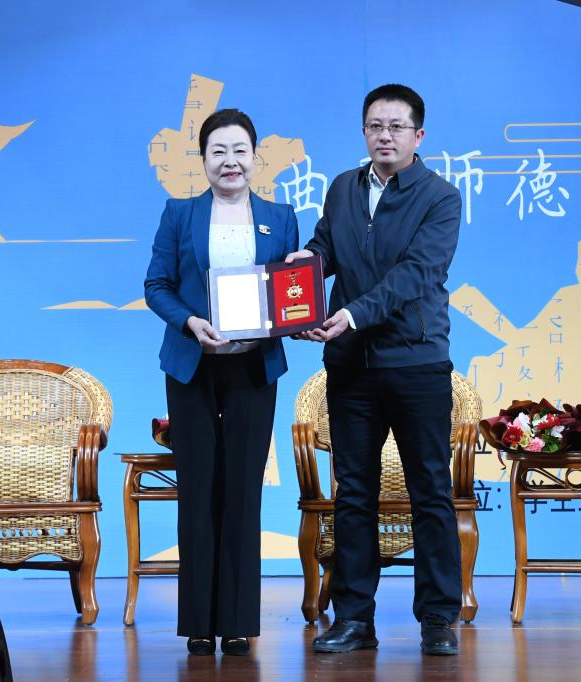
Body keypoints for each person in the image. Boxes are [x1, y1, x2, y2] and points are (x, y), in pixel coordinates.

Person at [286, 84, 464, 656]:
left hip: (417, 363)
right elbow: (325, 248)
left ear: (418, 135)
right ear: (364, 131)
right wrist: (303, 270)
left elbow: (418, 273)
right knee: (354, 493)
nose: (384, 136)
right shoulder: (343, 186)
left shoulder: (441, 197)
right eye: (375, 126)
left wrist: (352, 314)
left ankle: (438, 618)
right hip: (351, 366)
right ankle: (354, 619)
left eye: (396, 126)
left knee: (429, 492)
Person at [145, 108, 298, 656]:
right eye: (218, 151)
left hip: (254, 369)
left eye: (239, 151)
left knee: (242, 491)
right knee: (197, 490)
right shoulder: (179, 214)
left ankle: (236, 621)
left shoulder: (281, 217)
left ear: (255, 157)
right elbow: (156, 285)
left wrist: (296, 309)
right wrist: (191, 322)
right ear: (203, 159)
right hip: (193, 367)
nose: (230, 161)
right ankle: (198, 623)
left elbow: (290, 292)